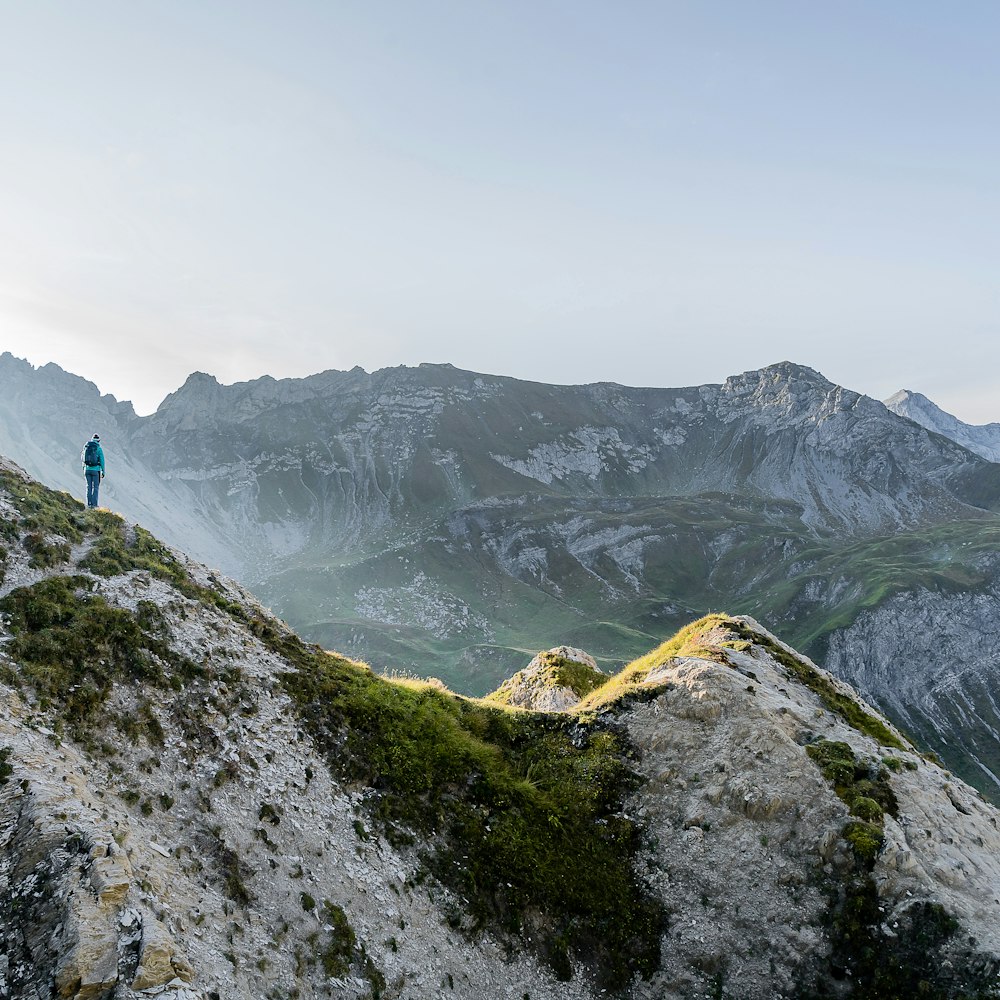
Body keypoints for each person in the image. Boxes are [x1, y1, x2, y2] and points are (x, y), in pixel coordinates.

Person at [82, 433, 106, 508]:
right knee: (95, 487)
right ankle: (94, 505)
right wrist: (103, 471)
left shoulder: (86, 447)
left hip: (87, 469)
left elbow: (82, 458)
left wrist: (84, 468)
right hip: (96, 470)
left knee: (88, 486)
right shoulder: (98, 448)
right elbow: (102, 461)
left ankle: (89, 504)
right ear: (98, 440)